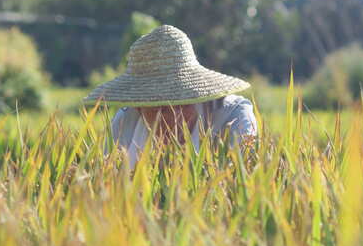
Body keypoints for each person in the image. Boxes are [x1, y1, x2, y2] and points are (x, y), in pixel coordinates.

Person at [84, 25, 257, 168]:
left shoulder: (233, 117)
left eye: (183, 103)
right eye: (162, 110)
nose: (174, 116)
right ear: (138, 106)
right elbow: (106, 181)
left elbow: (240, 183)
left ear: (199, 95)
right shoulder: (124, 122)